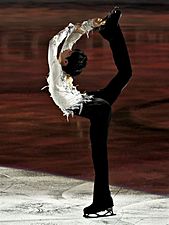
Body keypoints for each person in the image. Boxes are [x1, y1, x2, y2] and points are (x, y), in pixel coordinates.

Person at [45, 7, 132, 218]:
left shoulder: (59, 66)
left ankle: (102, 202)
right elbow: (62, 43)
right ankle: (112, 31)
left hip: (94, 107)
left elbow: (61, 42)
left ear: (65, 61)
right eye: (69, 51)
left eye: (68, 52)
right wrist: (80, 26)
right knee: (124, 75)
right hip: (90, 104)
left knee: (99, 155)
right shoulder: (59, 68)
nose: (67, 49)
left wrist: (82, 26)